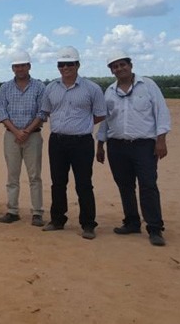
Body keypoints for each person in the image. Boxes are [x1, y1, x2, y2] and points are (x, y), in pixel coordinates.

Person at [96, 52, 171, 247]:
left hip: (144, 144)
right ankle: (131, 222)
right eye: (115, 66)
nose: (119, 69)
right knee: (125, 185)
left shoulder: (148, 86)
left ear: (130, 65)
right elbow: (105, 120)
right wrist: (100, 144)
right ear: (111, 70)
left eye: (122, 64)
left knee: (148, 184)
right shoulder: (110, 91)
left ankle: (154, 228)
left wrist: (161, 140)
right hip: (117, 145)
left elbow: (161, 113)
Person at [40, 46, 106, 240]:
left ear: (78, 65)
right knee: (58, 183)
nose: (65, 67)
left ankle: (88, 224)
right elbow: (46, 111)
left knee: (84, 184)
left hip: (82, 142)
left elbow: (100, 114)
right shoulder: (51, 88)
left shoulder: (91, 88)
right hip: (57, 142)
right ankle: (57, 220)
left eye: (70, 64)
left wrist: (81, 125)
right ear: (58, 66)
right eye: (62, 64)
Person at [0, 51, 47, 227]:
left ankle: (37, 212)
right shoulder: (5, 88)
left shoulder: (39, 87)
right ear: (12, 68)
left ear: (29, 66)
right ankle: (12, 210)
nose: (20, 69)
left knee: (34, 176)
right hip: (11, 136)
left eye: (23, 65)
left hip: (32, 136)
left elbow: (42, 112)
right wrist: (16, 132)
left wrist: (25, 131)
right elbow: (2, 112)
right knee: (12, 175)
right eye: (17, 66)